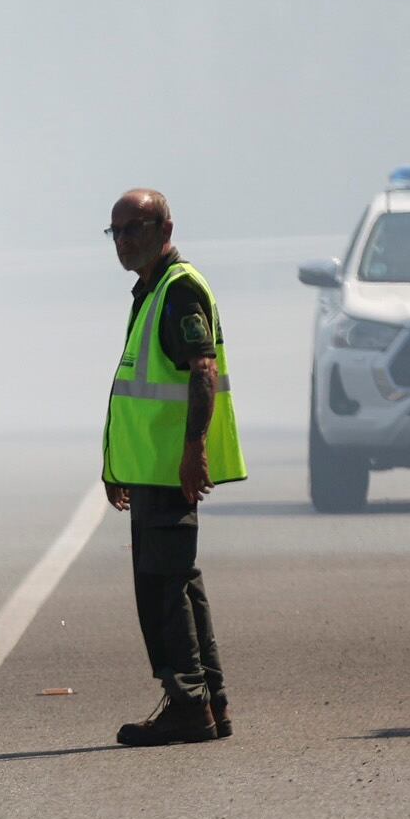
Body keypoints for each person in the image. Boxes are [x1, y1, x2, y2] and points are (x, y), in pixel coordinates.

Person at [101, 189, 247, 746]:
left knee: (163, 587)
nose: (123, 241)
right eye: (114, 231)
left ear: (165, 227)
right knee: (179, 583)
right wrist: (116, 465)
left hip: (170, 470)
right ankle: (210, 701)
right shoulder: (153, 290)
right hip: (152, 469)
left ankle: (188, 705)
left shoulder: (179, 288)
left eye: (134, 228)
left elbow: (201, 371)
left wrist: (194, 451)